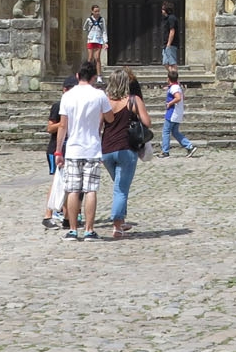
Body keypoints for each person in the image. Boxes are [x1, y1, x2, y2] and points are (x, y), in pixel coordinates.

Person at [55, 62, 116, 240]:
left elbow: (63, 126)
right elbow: (110, 118)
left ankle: (73, 229)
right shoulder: (99, 95)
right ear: (93, 77)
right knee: (90, 190)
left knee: (73, 189)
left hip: (73, 148)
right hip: (92, 148)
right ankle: (89, 229)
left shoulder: (67, 96)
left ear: (77, 76)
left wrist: (59, 151)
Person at [101, 68, 151, 238]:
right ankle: (116, 225)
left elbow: (100, 125)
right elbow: (147, 122)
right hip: (125, 149)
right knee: (121, 188)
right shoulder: (133, 101)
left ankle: (121, 221)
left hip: (106, 149)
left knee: (119, 185)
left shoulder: (105, 102)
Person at [42, 74, 77, 228]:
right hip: (55, 148)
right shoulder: (58, 105)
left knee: (67, 182)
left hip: (68, 147)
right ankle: (48, 214)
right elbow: (50, 127)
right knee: (57, 181)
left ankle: (66, 216)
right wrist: (64, 123)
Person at [159, 64, 196, 157]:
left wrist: (169, 103)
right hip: (178, 113)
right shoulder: (177, 87)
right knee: (175, 132)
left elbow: (178, 98)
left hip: (172, 113)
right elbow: (182, 96)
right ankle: (189, 146)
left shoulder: (174, 88)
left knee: (166, 131)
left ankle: (165, 151)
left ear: (169, 78)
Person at [160, 1, 179, 67]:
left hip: (171, 45)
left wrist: (169, 43)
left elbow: (172, 31)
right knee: (165, 63)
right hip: (166, 45)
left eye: (163, 9)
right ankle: (172, 76)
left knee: (172, 63)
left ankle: (174, 77)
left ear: (166, 10)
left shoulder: (171, 18)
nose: (162, 11)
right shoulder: (167, 19)